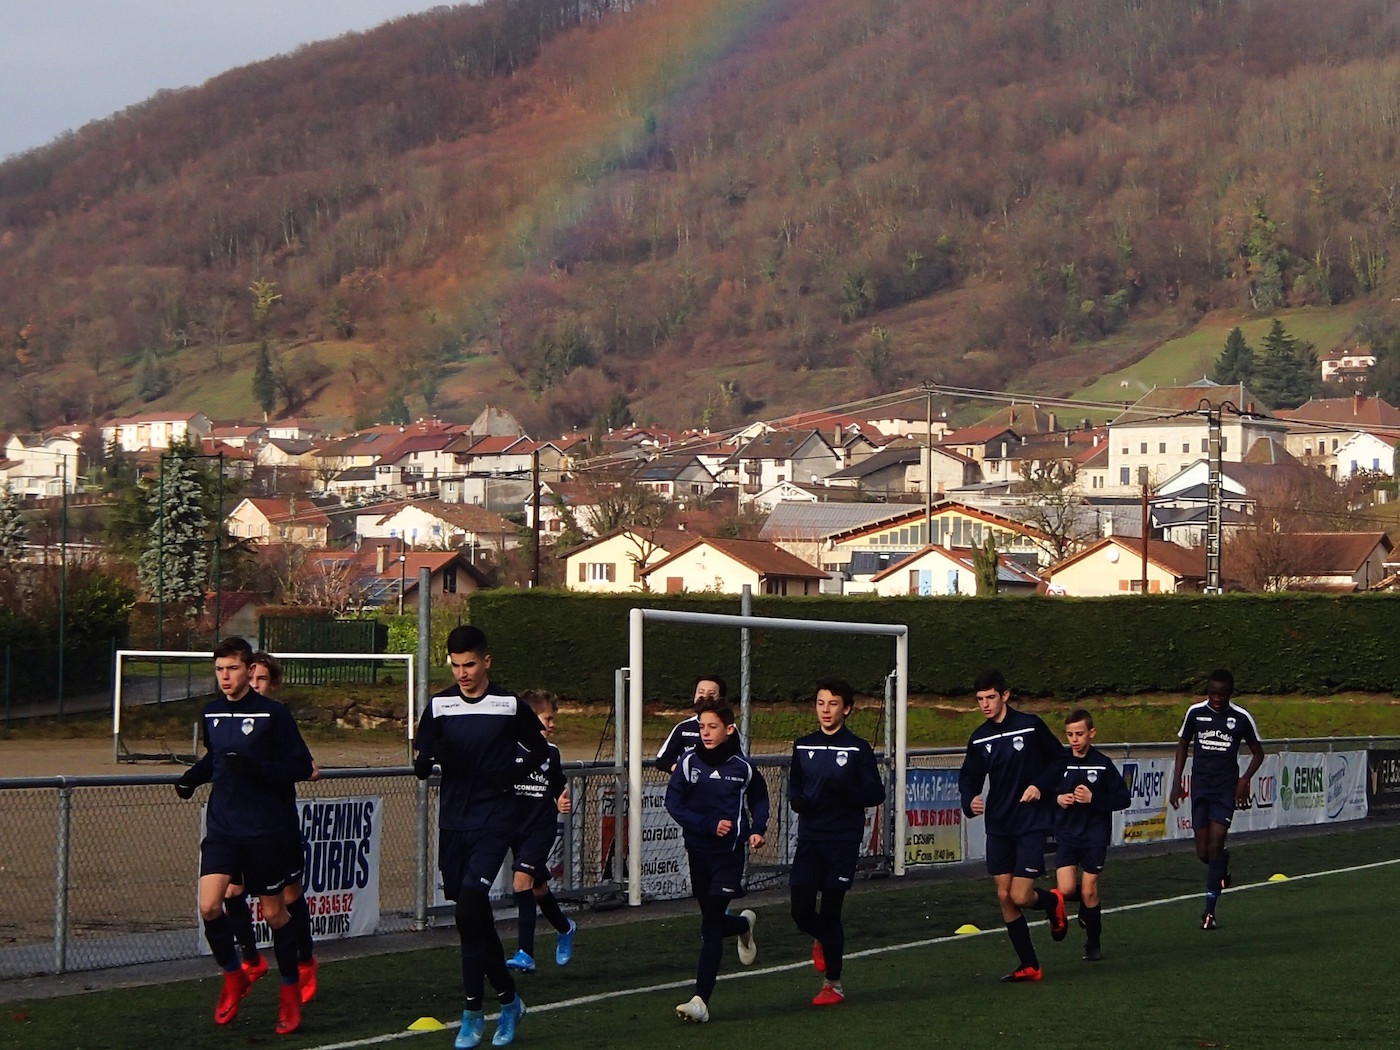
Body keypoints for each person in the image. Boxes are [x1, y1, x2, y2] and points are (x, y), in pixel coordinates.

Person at [414, 625, 548, 1049]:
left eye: (469, 664)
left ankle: (472, 1011)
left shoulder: (508, 705)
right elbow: (421, 758)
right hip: (453, 822)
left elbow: (539, 751)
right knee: (472, 917)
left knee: (470, 907)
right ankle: (508, 999)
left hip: (494, 820)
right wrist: (429, 758)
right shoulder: (440, 704)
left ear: (486, 661)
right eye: (456, 666)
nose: (462, 673)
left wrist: (509, 773)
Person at [179, 637, 314, 1034]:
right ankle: (234, 974)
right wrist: (192, 778)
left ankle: (289, 990)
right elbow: (216, 759)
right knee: (209, 905)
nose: (226, 677)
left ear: (249, 668)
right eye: (220, 669)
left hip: (264, 830)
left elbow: (301, 765)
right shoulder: (212, 712)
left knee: (274, 914)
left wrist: (258, 770)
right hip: (223, 827)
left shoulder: (274, 713)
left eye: (233, 669)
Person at [957, 668, 1069, 983]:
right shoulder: (980, 737)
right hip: (998, 824)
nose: (985, 704)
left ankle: (1052, 901)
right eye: (980, 699)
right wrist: (969, 800)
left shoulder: (1030, 726)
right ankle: (1029, 965)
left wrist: (1040, 786)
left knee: (1020, 896)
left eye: (991, 697)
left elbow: (1059, 760)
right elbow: (968, 777)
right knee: (1004, 895)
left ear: (1005, 695)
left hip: (1030, 822)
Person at [665, 697, 769, 1024]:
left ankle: (701, 1000)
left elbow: (760, 797)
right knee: (710, 920)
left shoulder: (742, 767)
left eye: (713, 727)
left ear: (729, 729)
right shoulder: (688, 763)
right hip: (698, 852)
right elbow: (673, 803)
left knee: (710, 925)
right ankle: (743, 925)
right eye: (702, 727)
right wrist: (707, 825)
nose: (706, 733)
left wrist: (757, 828)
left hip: (729, 855)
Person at [787, 677, 885, 1006]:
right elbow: (795, 786)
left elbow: (876, 792)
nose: (826, 710)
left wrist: (847, 792)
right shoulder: (803, 745)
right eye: (820, 703)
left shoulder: (858, 748)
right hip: (810, 839)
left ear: (847, 709)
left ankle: (833, 984)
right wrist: (797, 800)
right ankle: (821, 937)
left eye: (832, 704)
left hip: (842, 840)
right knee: (800, 911)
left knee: (830, 912)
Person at [1168, 669, 1264, 931]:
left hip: (1225, 791)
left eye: (1222, 694)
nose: (1217, 699)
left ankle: (1209, 912)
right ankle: (1222, 863)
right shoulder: (1195, 713)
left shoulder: (1241, 717)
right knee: (1204, 853)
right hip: (1201, 789)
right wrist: (1177, 783)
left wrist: (1244, 780)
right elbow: (1182, 745)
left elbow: (1258, 753)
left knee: (1216, 841)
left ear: (1230, 693)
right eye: (1212, 693)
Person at [505, 691, 578, 973]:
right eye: (548, 718)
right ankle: (565, 927)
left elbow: (557, 783)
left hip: (541, 827)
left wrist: (561, 798)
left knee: (521, 883)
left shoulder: (551, 752)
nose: (552, 724)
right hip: (516, 828)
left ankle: (525, 952)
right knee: (538, 887)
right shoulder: (508, 749)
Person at [1051, 709, 1130, 962]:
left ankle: (1093, 944)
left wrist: (1093, 798)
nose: (1074, 739)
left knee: (1089, 890)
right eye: (1070, 734)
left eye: (1079, 734)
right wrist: (1058, 799)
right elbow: (1044, 791)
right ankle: (1085, 904)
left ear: (1091, 733)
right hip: (1066, 833)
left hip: (1094, 835)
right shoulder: (1059, 762)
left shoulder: (1103, 764)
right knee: (1065, 889)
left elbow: (1123, 799)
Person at [655, 675, 728, 773]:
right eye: (701, 692)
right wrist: (679, 769)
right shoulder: (683, 728)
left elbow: (741, 762)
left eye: (711, 694)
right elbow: (662, 760)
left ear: (720, 698)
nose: (705, 697)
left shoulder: (728, 729)